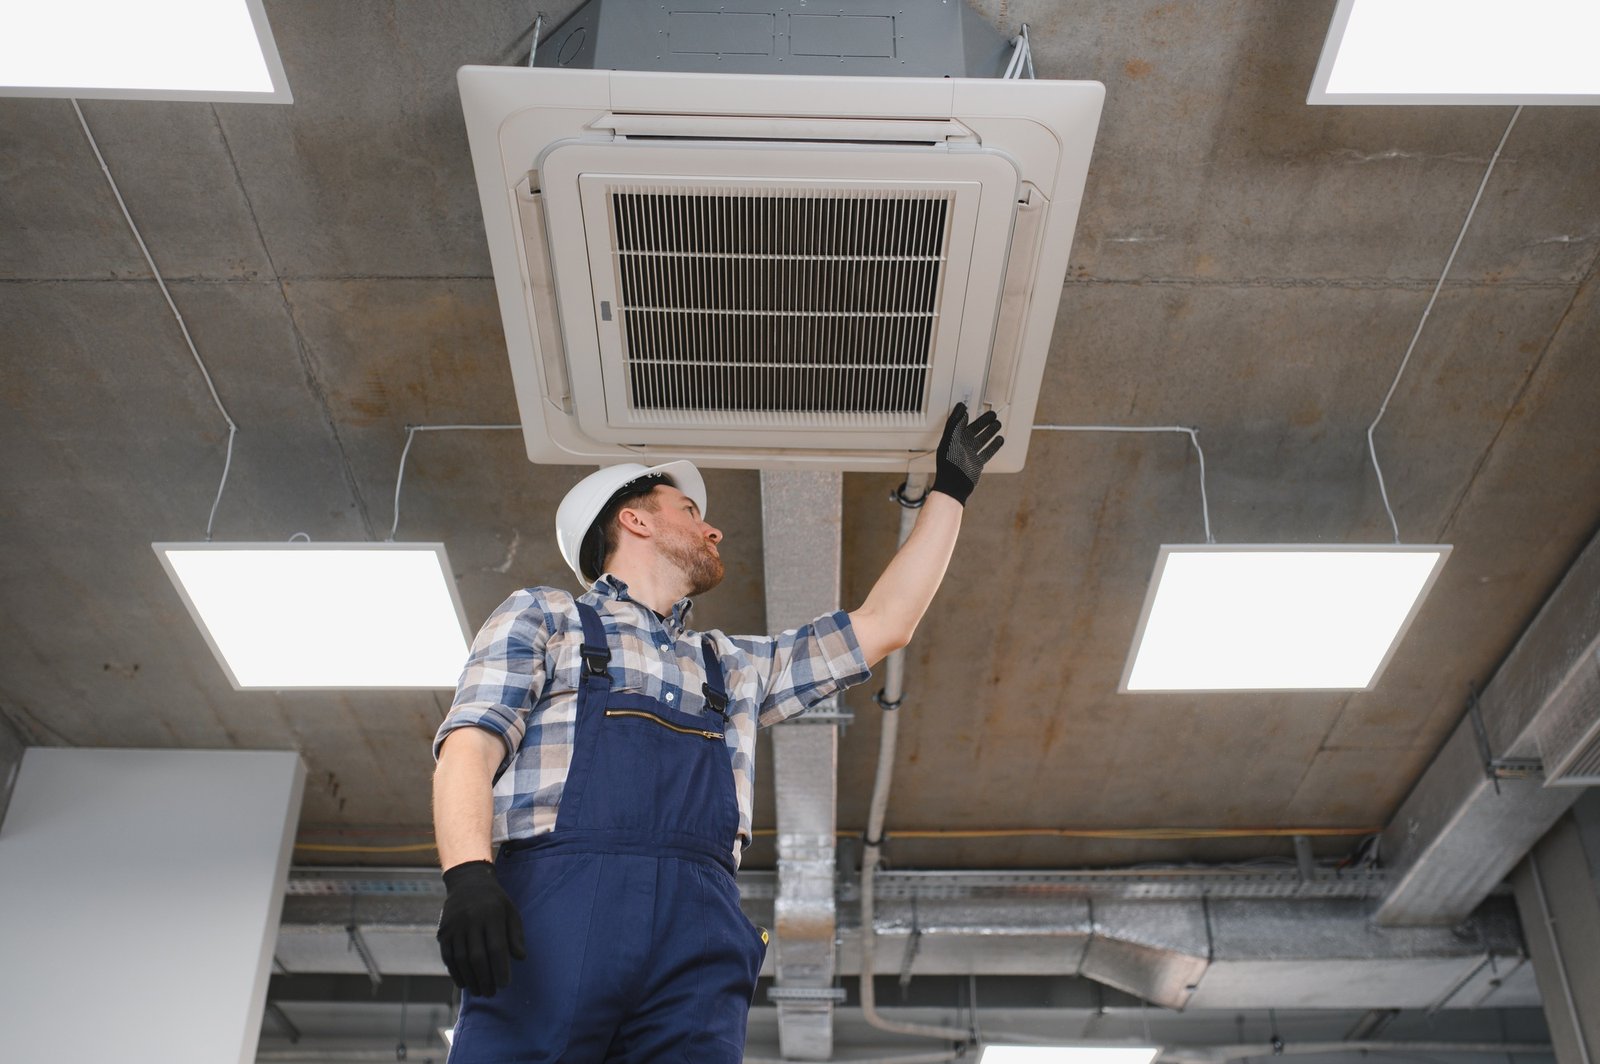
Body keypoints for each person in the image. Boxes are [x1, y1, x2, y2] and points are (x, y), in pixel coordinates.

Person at [431, 403, 1004, 1062]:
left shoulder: (728, 665)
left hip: (698, 925)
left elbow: (885, 623)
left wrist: (950, 495)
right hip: (562, 907)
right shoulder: (547, 617)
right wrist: (468, 877)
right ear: (636, 518)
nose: (715, 529)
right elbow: (470, 745)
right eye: (690, 510)